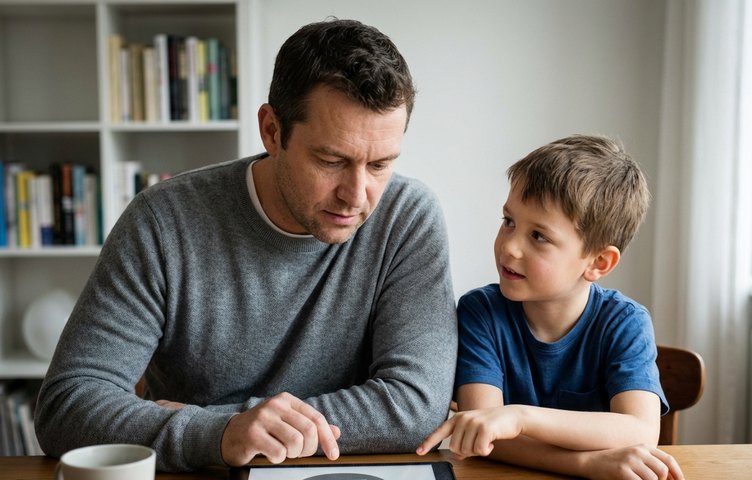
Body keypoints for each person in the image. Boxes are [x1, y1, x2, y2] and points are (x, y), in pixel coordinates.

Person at [35, 19, 457, 472]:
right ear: (272, 131)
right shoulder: (163, 221)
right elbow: (67, 404)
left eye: (380, 165)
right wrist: (221, 436)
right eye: (331, 161)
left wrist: (227, 423)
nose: (357, 196)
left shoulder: (407, 218)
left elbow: (415, 406)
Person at [417, 135, 684, 480]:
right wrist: (586, 463)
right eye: (508, 221)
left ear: (599, 262)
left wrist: (519, 417)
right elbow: (484, 437)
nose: (509, 247)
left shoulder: (625, 322)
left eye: (539, 236)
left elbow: (641, 431)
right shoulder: (480, 312)